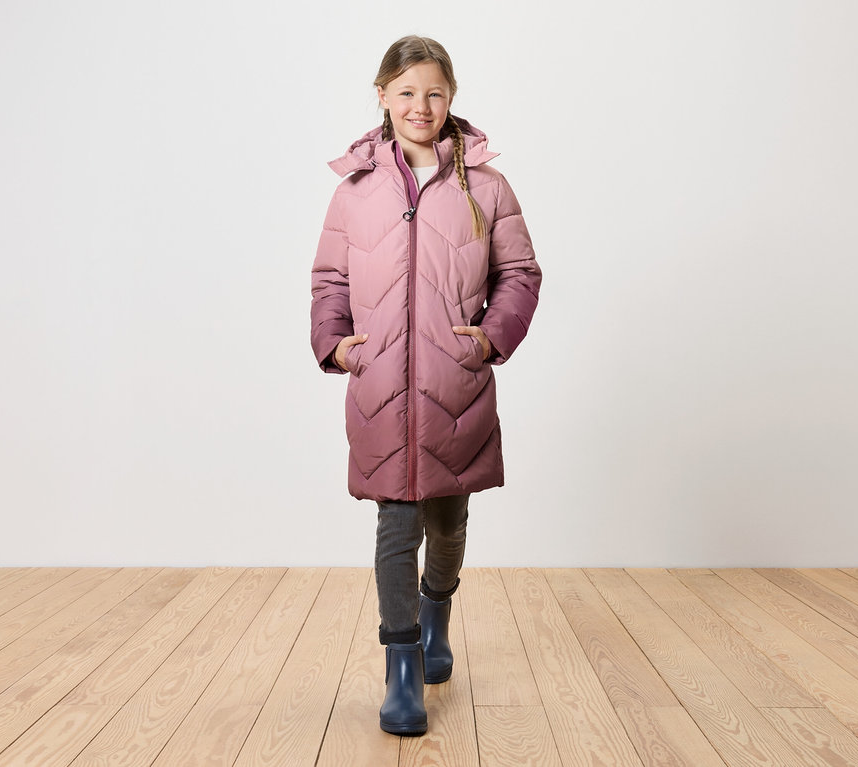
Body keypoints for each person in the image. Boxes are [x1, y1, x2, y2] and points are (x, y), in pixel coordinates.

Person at [310, 35, 541, 736]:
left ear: (452, 98)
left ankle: (437, 617)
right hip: (381, 384)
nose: (420, 106)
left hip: (454, 386)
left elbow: (520, 274)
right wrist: (335, 341)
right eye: (406, 92)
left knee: (446, 523)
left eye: (434, 93)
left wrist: (491, 336)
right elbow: (329, 280)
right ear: (381, 95)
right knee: (395, 523)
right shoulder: (353, 191)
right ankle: (403, 665)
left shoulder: (487, 186)